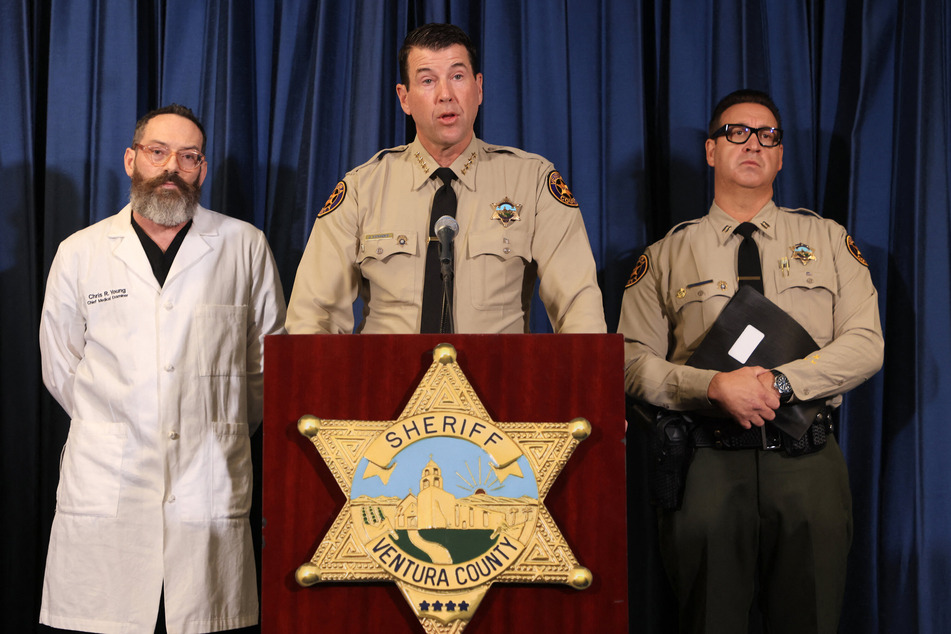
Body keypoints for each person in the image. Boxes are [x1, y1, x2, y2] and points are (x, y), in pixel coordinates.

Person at [618, 89, 883, 632]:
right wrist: (712, 387)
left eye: (768, 136)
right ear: (712, 150)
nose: (753, 144)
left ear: (781, 155)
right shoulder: (666, 255)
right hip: (708, 466)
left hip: (807, 463)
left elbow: (866, 344)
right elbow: (628, 361)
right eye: (737, 132)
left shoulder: (830, 241)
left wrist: (782, 382)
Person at [38, 104, 286, 633]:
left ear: (202, 169)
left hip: (208, 482)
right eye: (158, 152)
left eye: (189, 157)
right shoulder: (80, 253)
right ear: (132, 160)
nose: (172, 167)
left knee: (203, 619)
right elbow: (60, 368)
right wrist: (116, 421)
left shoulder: (243, 246)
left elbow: (266, 367)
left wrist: (213, 421)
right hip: (109, 483)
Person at [285, 23, 605, 335]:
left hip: (497, 385)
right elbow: (313, 317)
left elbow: (579, 308)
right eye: (427, 80)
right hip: (388, 385)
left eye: (457, 76)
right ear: (404, 98)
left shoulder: (533, 182)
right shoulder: (361, 189)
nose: (445, 95)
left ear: (478, 87)